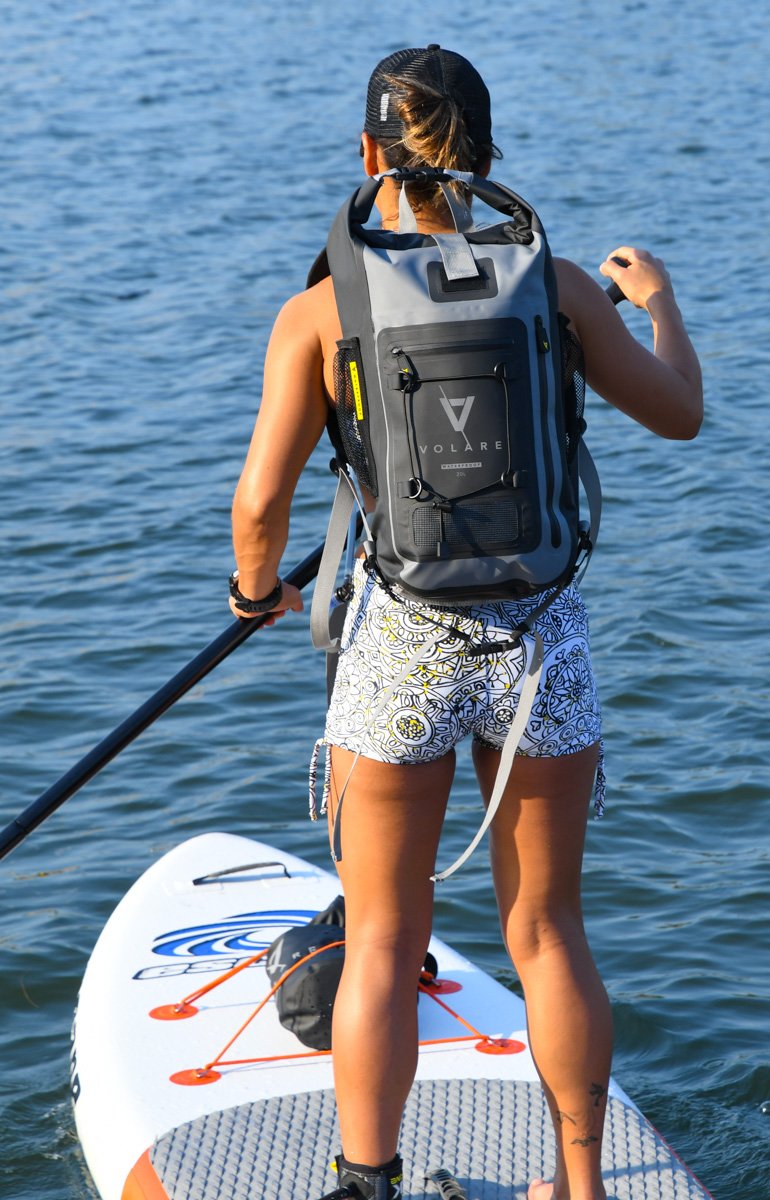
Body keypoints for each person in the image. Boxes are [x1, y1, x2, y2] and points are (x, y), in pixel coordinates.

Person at [229, 45, 702, 1200]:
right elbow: (679, 413)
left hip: (401, 643)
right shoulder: (558, 287)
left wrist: (257, 590)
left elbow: (259, 506)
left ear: (366, 154)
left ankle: (366, 1184)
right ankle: (580, 1187)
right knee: (546, 932)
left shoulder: (320, 309)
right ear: (485, 151)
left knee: (383, 937)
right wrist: (655, 301)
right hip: (540, 645)